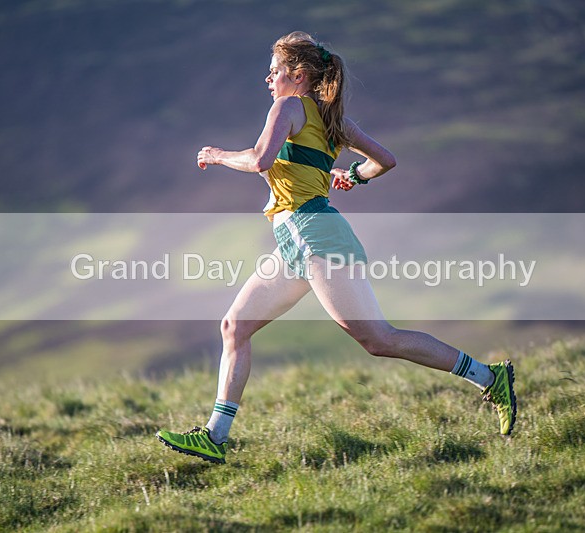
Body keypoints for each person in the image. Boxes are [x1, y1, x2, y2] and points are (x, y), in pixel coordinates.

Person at [156, 31, 516, 464]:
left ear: (298, 75)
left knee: (378, 339)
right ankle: (215, 436)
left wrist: (214, 154)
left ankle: (488, 377)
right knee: (235, 327)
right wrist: (354, 176)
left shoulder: (287, 107)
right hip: (295, 241)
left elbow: (259, 160)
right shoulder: (331, 119)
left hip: (316, 238)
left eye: (274, 71)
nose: (267, 79)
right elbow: (385, 159)